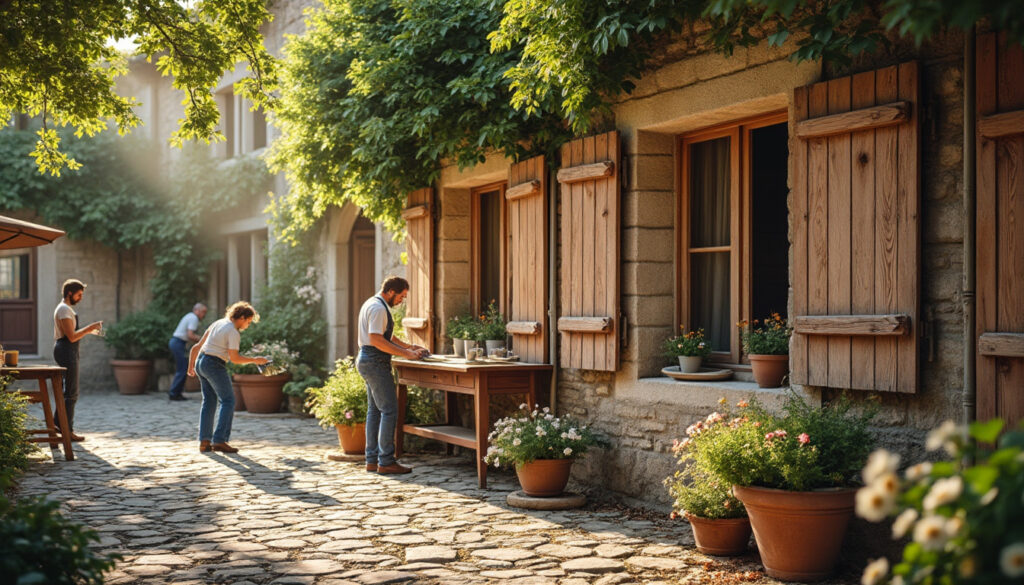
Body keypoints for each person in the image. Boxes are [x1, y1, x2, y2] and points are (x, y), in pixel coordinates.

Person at [356, 276, 429, 474]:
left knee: (375, 410)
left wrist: (408, 346)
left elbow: (385, 335)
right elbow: (377, 339)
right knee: (389, 410)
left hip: (366, 359)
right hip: (375, 360)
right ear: (390, 292)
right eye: (401, 297)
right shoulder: (379, 309)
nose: (401, 301)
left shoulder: (372, 303)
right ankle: (386, 461)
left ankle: (372, 460)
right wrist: (407, 354)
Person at [187, 301, 268, 454]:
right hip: (213, 364)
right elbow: (235, 358)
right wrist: (255, 359)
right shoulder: (232, 331)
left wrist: (191, 366)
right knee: (228, 400)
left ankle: (204, 442)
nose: (248, 325)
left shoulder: (218, 323)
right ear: (242, 317)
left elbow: (197, 347)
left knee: (209, 401)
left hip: (201, 362)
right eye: (248, 322)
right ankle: (220, 440)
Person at [52, 279, 102, 442]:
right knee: (71, 393)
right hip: (66, 350)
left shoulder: (66, 309)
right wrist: (90, 327)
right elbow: (71, 337)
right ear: (70, 293)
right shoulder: (64, 310)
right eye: (79, 295)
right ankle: (68, 430)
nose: (80, 298)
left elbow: (72, 335)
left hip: (67, 349)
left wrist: (89, 331)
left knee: (69, 391)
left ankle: (57, 425)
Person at [167, 303, 208, 401]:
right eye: (203, 312)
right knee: (183, 368)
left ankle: (176, 392)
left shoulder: (189, 316)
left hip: (176, 342)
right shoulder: (193, 318)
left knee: (183, 367)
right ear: (197, 310)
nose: (204, 315)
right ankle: (174, 393)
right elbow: (190, 335)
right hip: (178, 343)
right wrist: (203, 340)